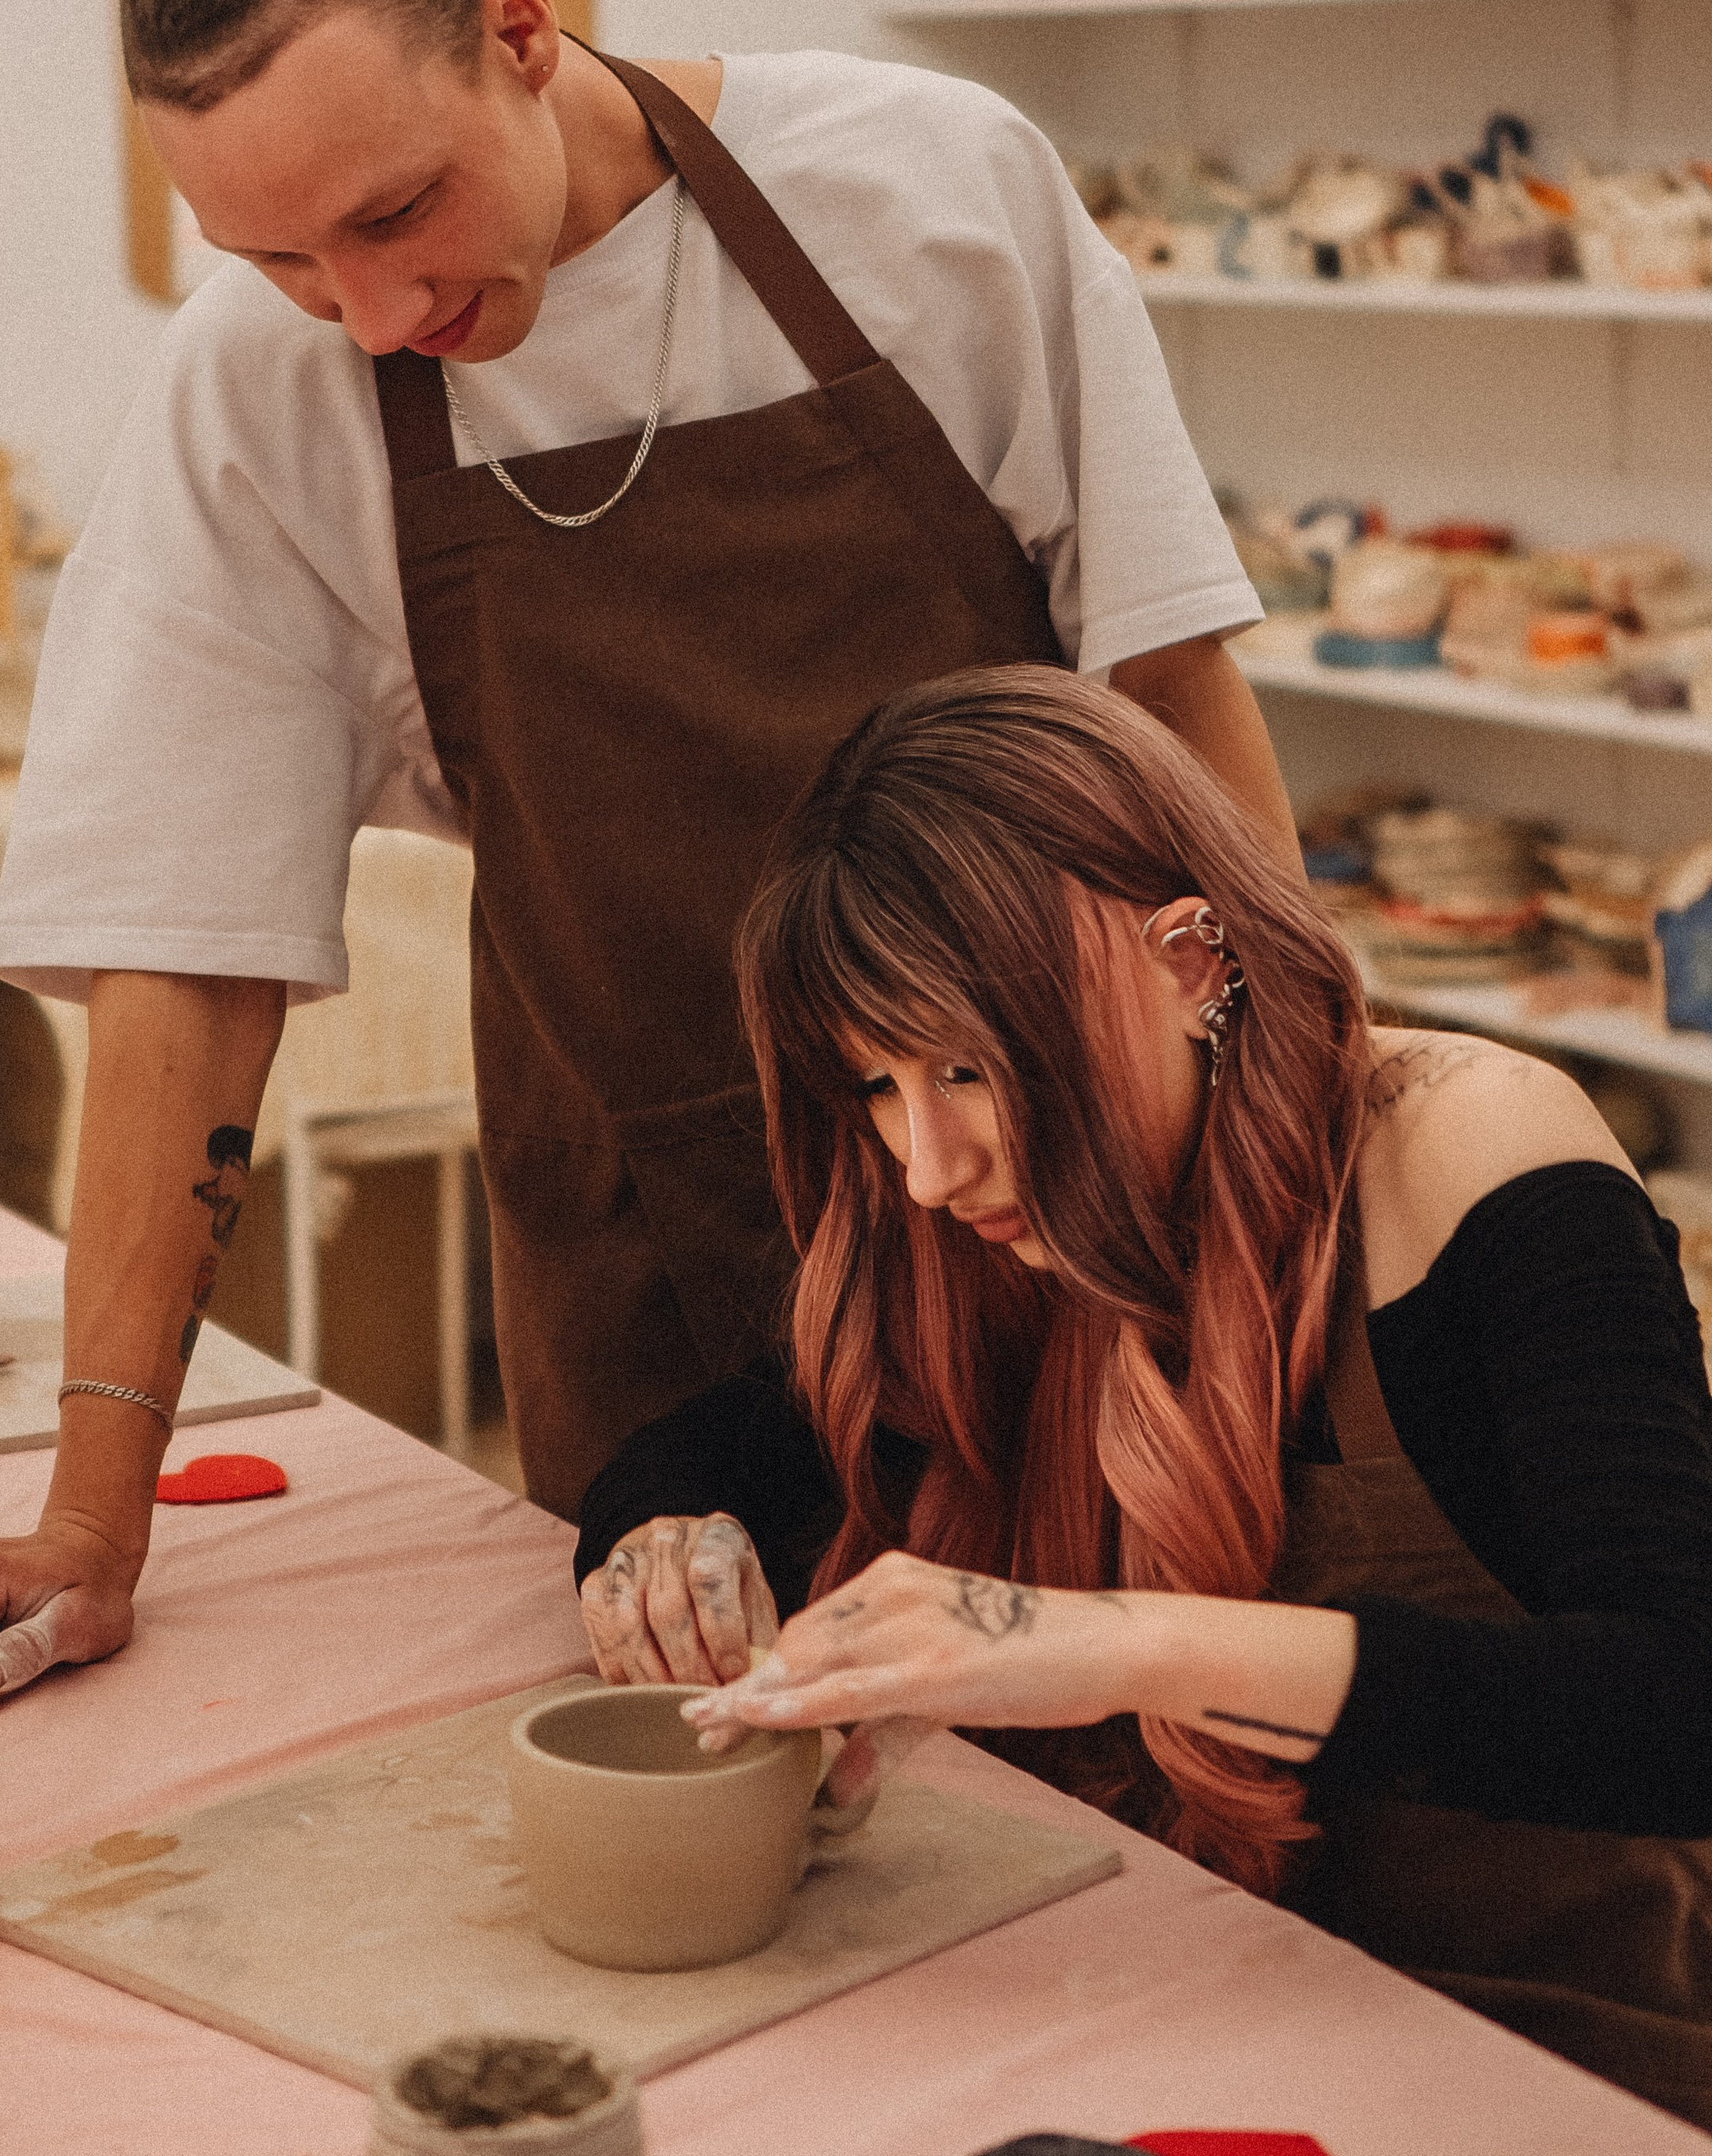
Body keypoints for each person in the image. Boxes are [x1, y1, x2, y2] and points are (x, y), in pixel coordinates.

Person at [0, 0, 1289, 1704]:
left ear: (518, 26)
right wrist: (92, 1522)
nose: (368, 310)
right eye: (278, 259)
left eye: (396, 210)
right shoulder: (261, 398)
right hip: (669, 1305)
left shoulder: (928, 196)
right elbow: (182, 961)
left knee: (1171, 1776)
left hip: (1079, 1211)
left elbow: (1172, 703)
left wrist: (1313, 1192)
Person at [644, 665, 1712, 2127]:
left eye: (965, 1065)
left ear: (1195, 961)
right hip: (1195, 1992)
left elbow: (1676, 1707)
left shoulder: (1469, 1149)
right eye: (878, 1084)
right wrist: (656, 1547)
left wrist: (1118, 1644)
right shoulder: (1008, 1213)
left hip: (1543, 2054)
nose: (928, 1168)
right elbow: (728, 1446)